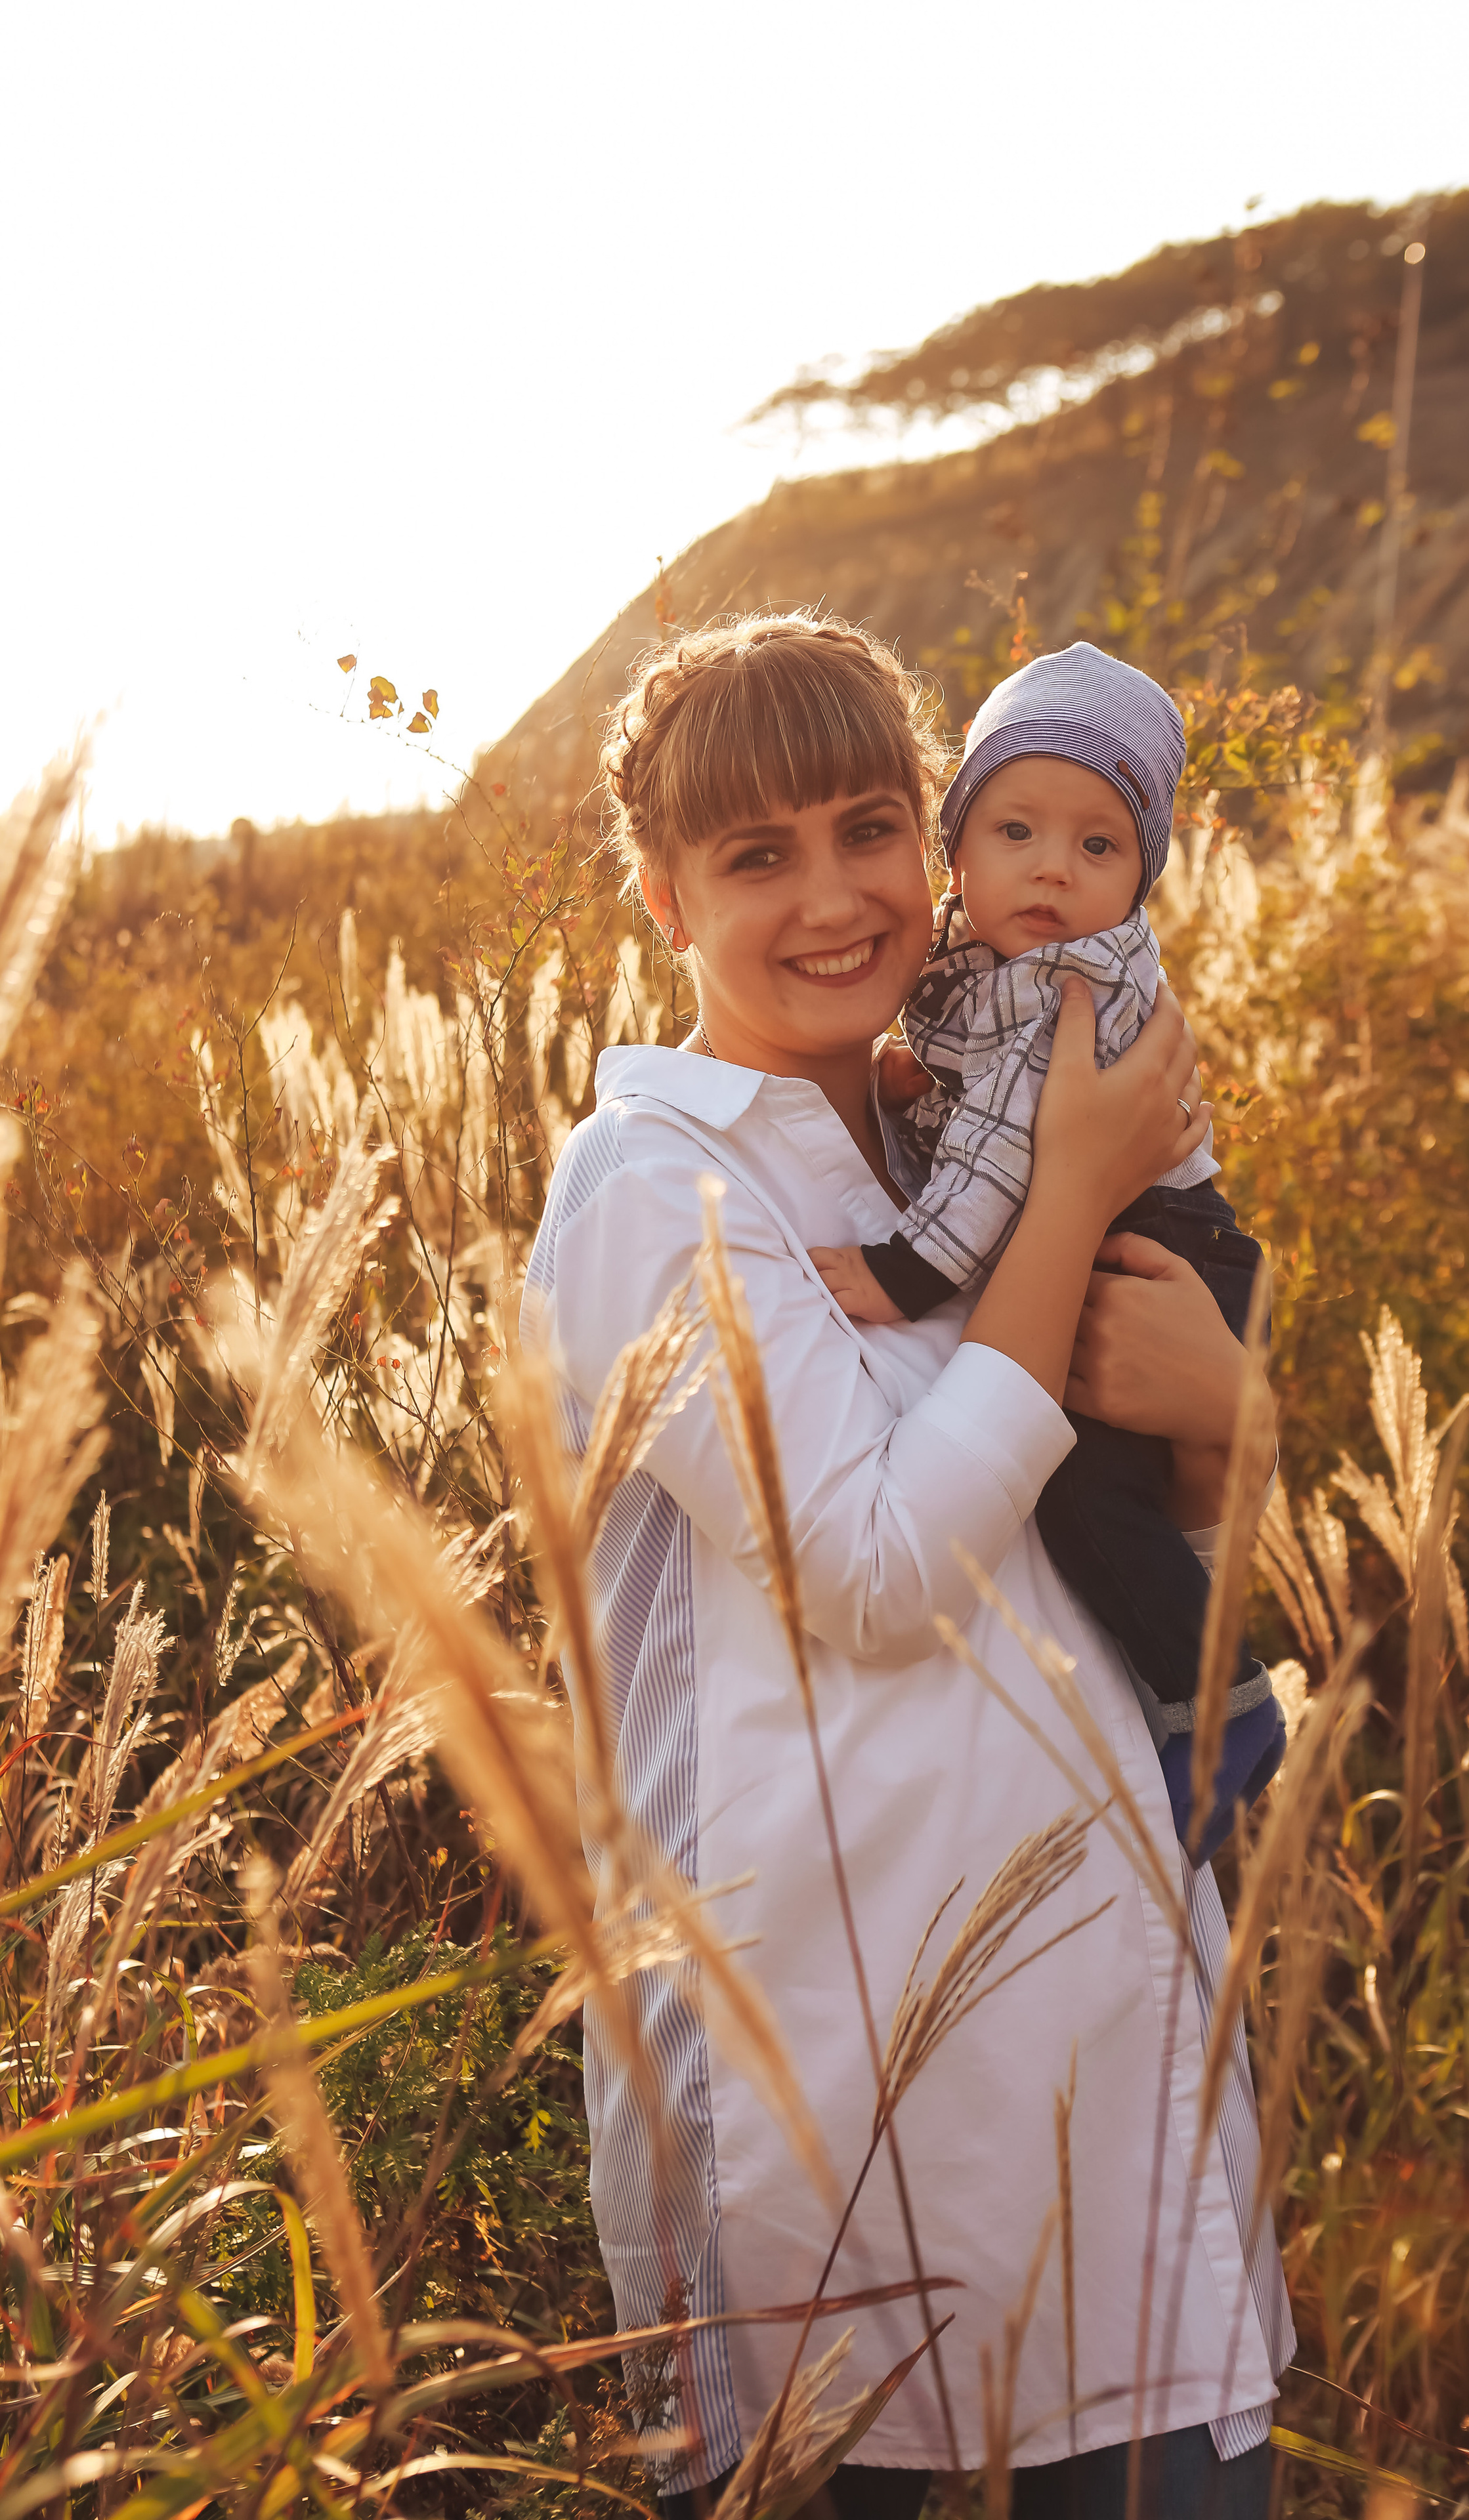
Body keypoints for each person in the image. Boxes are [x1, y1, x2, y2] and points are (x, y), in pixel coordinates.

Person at [521, 614, 1290, 2520]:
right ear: (660, 890)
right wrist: (1082, 1197)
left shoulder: (956, 1126)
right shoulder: (656, 1185)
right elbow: (870, 1567)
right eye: (753, 855)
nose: (833, 897)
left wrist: (1234, 1426)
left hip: (1108, 2055)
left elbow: (1126, 1561)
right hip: (832, 2114)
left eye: (868, 827)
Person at [809, 645, 1285, 1859]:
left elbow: (1005, 1166)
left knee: (1077, 1487)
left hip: (1158, 1244)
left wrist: (902, 1275)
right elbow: (974, 1104)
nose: (1052, 870)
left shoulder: (1070, 985)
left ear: (1140, 878)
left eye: (1098, 847)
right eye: (1016, 830)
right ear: (955, 850)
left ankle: (1222, 1711)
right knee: (1093, 1493)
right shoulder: (987, 971)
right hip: (1127, 1228)